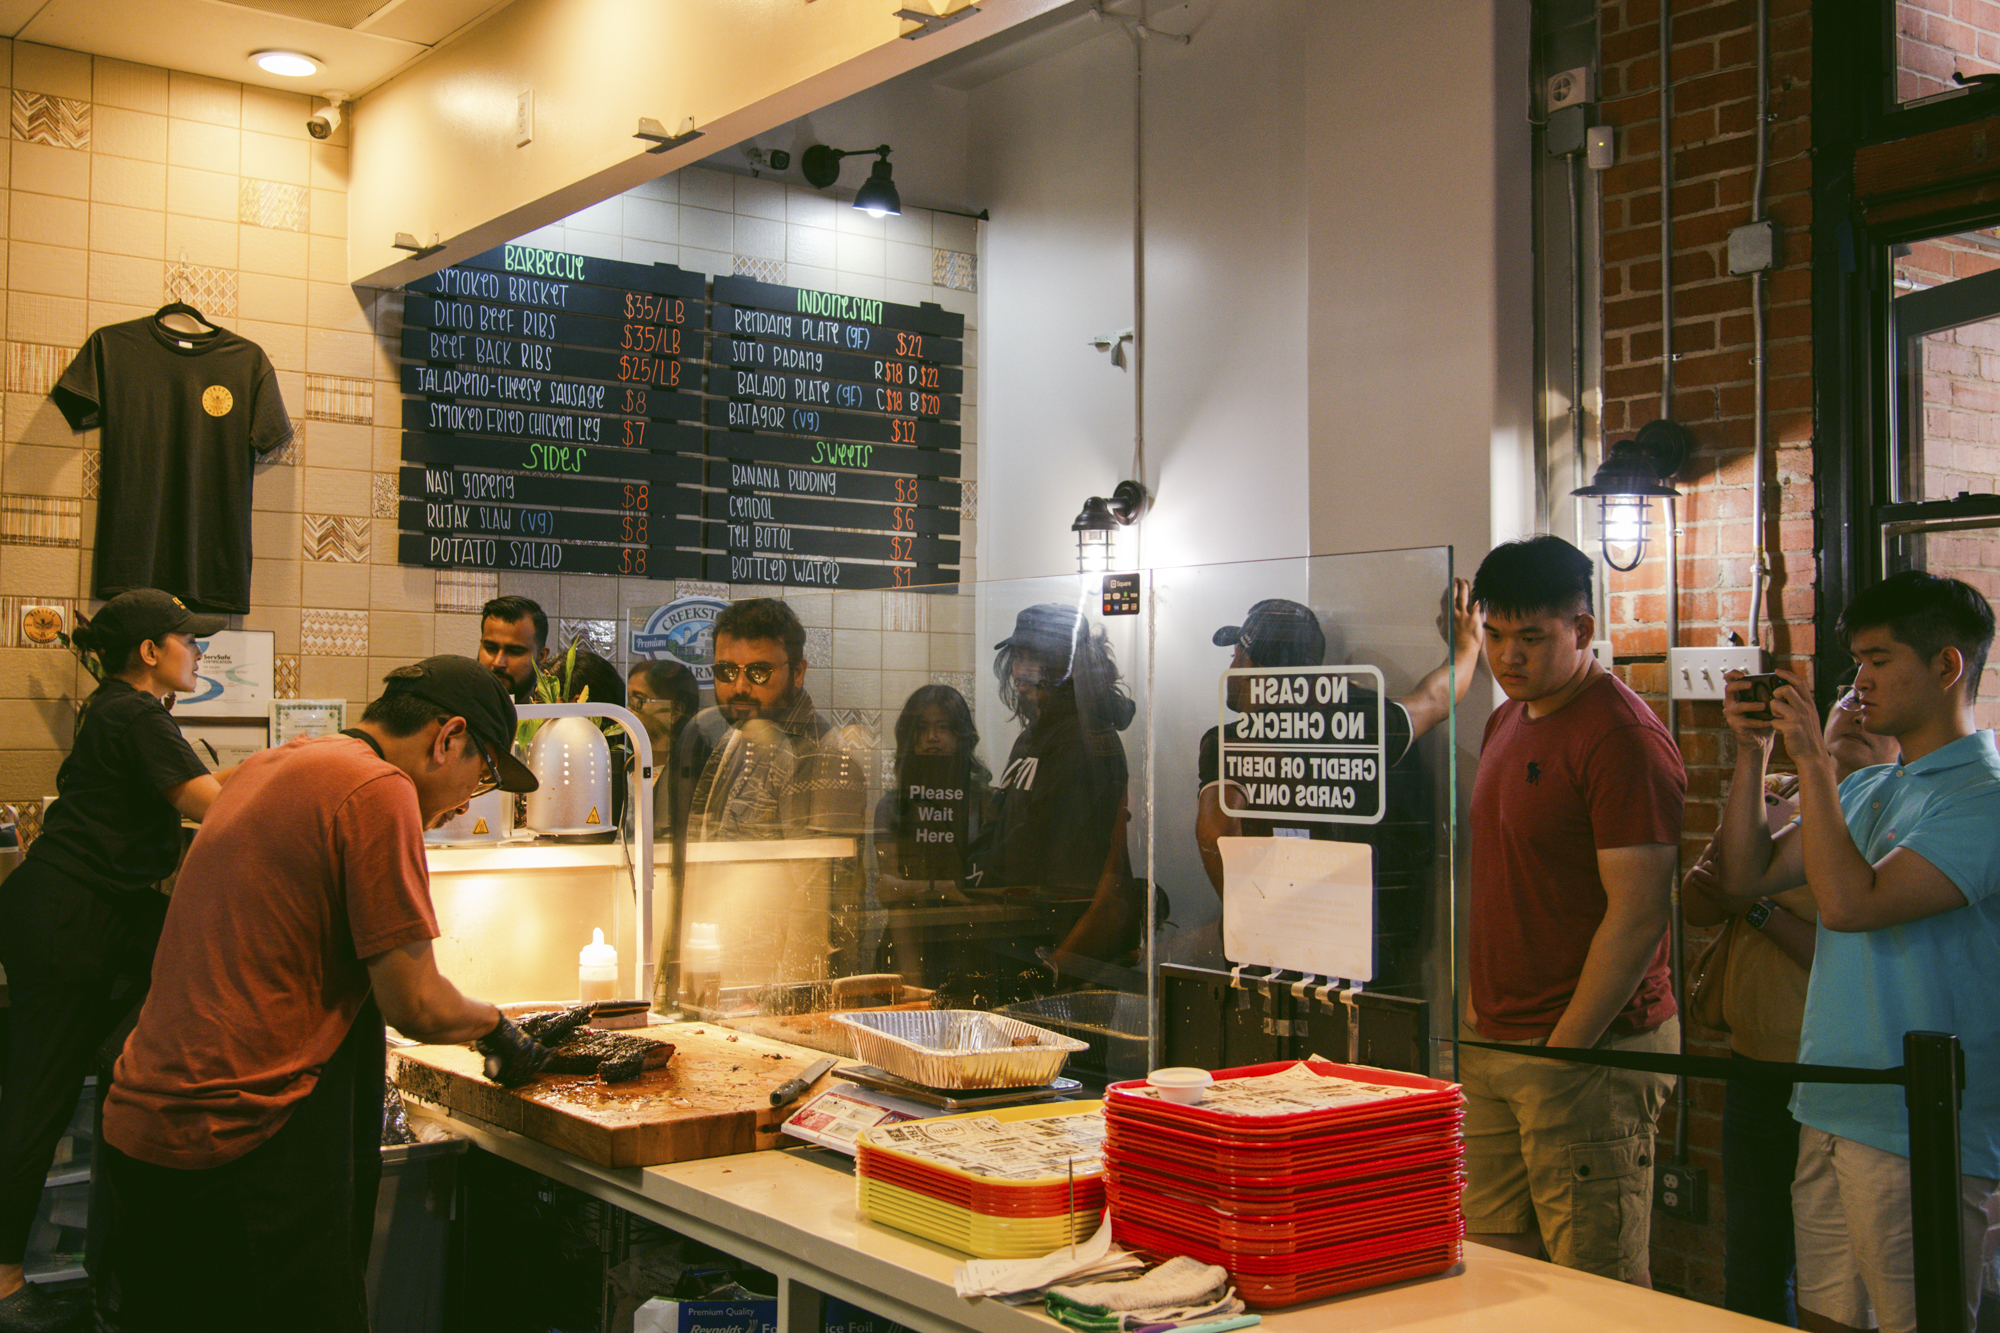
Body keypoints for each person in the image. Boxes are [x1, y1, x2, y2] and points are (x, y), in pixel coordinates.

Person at [92, 657, 551, 1333]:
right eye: (481, 774)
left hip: (147, 1126)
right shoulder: (376, 788)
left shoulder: (272, 765)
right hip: (243, 1141)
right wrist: (498, 1029)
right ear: (448, 736)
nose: (466, 798)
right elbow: (415, 1003)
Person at [1714, 570, 2000, 1333]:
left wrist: (1812, 762)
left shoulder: (1984, 794)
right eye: (1856, 665)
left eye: (1879, 661)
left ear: (1948, 666)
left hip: (1920, 1123)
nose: (1859, 684)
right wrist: (1753, 754)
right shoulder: (1875, 787)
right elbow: (1741, 875)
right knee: (1826, 1317)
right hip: (1829, 1102)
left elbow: (1849, 904)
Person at [0, 591, 230, 1333]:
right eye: (187, 640)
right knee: (37, 1095)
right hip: (73, 917)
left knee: (159, 999)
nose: (199, 652)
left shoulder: (122, 710)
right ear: (150, 652)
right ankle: (4, 1280)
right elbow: (213, 805)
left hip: (88, 911)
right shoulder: (135, 714)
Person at [1460, 535, 1685, 1285]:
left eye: (1532, 637)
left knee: (1597, 1287)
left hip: (1591, 1047)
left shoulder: (1619, 736)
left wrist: (1567, 1046)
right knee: (1494, 1272)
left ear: (1582, 631)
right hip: (1498, 1038)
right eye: (1494, 634)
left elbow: (1640, 911)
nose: (1507, 656)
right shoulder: (1508, 719)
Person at [1682, 672, 1901, 1326]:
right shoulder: (1775, 794)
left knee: (1841, 1273)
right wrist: (1756, 759)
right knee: (1752, 1256)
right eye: (1847, 702)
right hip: (1752, 1064)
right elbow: (1698, 898)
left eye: (1874, 712)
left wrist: (1754, 910)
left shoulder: (1881, 818)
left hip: (1835, 1073)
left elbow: (1839, 945)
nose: (1857, 715)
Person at [1192, 582, 1482, 988]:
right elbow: (1435, 698)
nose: (1231, 664)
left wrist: (1254, 922)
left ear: (1253, 665)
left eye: (1237, 654)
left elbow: (1215, 832)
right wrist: (1467, 648)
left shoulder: (1230, 742)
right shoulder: (1360, 726)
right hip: (1354, 949)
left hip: (1270, 960)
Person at [968, 602, 1141, 969]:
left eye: (1035, 659)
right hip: (1022, 933)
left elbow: (1037, 837)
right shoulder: (1035, 738)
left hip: (1064, 943)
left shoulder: (1083, 740)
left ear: (1069, 665)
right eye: (1018, 657)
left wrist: (969, 880)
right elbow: (1003, 824)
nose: (1020, 672)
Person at [686, 598, 863, 841]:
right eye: (726, 671)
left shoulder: (821, 756)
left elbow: (823, 876)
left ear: (797, 672)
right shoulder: (741, 733)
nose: (739, 687)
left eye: (758, 672)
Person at [628, 658, 704, 842]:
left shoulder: (696, 767)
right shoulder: (628, 763)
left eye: (639, 700)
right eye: (629, 700)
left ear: (675, 710)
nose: (629, 710)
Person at [477, 594, 548, 704]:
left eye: (514, 652)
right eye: (490, 648)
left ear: (541, 656)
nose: (498, 663)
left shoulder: (553, 717)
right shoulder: (456, 711)